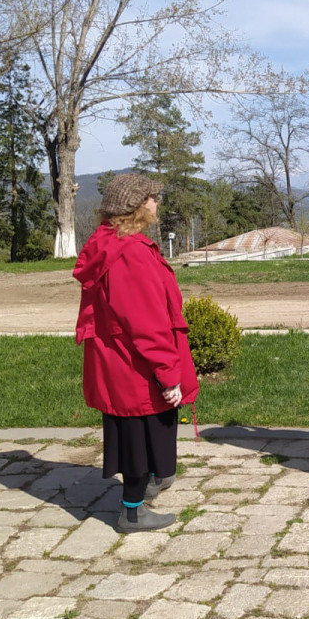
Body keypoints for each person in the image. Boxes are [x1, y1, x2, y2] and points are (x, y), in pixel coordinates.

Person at [73, 173, 199, 533]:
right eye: (153, 197)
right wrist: (168, 373)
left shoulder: (109, 242)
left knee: (138, 435)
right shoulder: (130, 253)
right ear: (138, 205)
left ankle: (149, 488)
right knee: (139, 438)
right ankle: (132, 511)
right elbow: (147, 322)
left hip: (121, 361)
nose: (157, 203)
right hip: (136, 367)